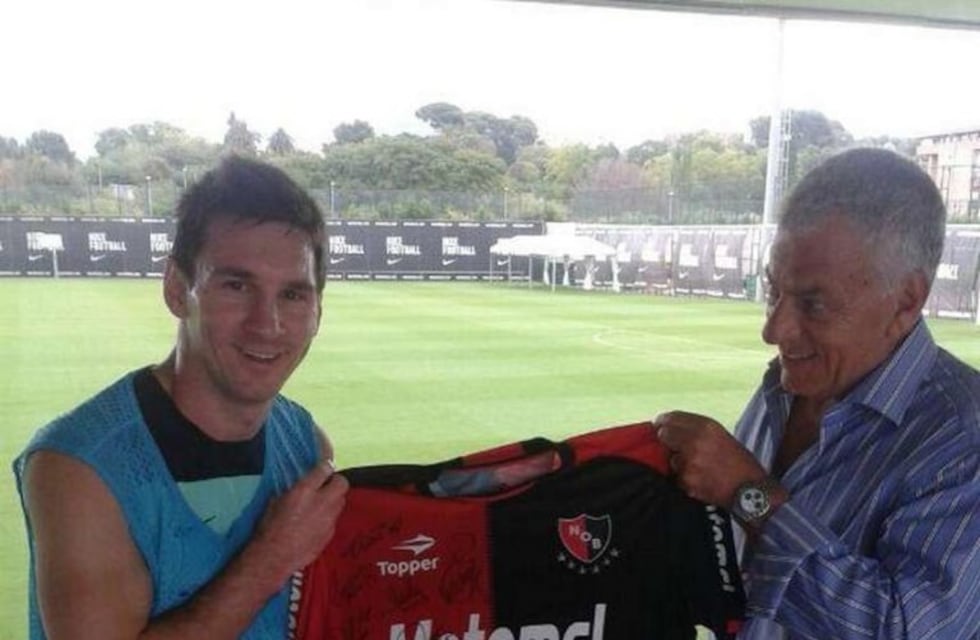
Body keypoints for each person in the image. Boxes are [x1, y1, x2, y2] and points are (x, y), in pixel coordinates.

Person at [13, 156, 349, 639]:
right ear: (177, 289)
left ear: (318, 310)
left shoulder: (308, 446)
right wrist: (269, 560)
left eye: (293, 295)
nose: (267, 324)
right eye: (236, 285)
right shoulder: (78, 468)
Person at [655, 148, 980, 639]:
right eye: (773, 291)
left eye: (813, 303)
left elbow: (906, 631)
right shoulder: (783, 389)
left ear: (907, 300)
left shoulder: (963, 440)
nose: (774, 329)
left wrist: (749, 496)